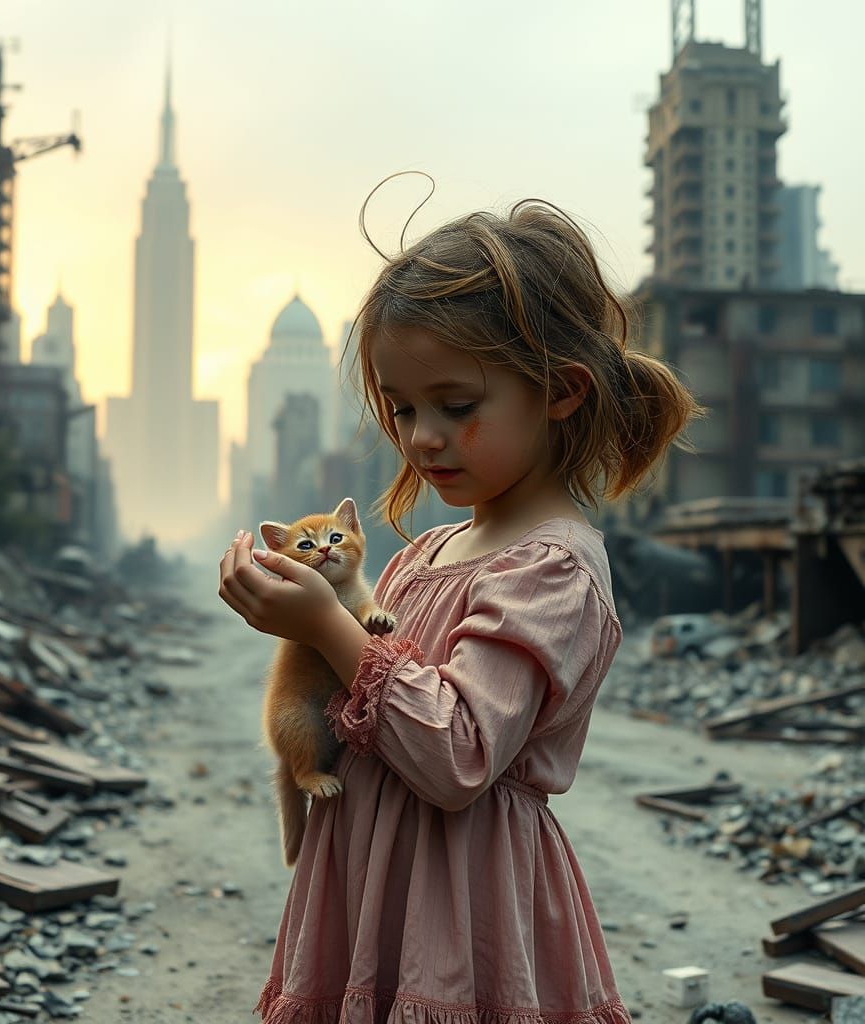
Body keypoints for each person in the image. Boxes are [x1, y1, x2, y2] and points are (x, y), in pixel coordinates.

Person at [218, 197, 700, 1024]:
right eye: (403, 409)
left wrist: (326, 625)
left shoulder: (554, 571)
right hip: (368, 889)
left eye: (456, 405)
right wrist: (297, 623)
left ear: (560, 392)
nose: (422, 439)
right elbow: (353, 710)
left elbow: (456, 759)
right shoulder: (419, 558)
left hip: (464, 905)